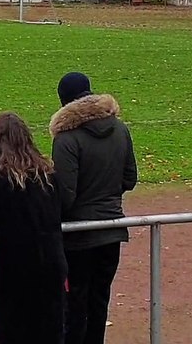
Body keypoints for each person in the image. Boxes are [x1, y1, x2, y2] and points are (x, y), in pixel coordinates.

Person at [49, 73, 137, 344]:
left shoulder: (66, 138)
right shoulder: (120, 129)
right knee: (99, 300)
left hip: (78, 236)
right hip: (111, 230)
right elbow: (129, 178)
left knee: (74, 304)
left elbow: (66, 194)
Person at [0, 112, 66, 344]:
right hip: (50, 260)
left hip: (14, 264)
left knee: (14, 331)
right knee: (48, 330)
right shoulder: (46, 171)